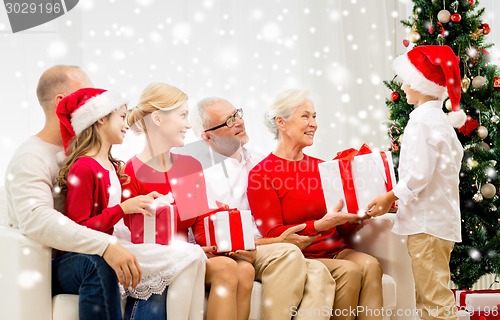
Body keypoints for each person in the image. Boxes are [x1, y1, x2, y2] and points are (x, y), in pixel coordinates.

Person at [55, 87, 207, 320]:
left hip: (114, 241)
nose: (128, 124)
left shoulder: (113, 166)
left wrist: (139, 204)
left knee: (193, 256)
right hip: (93, 249)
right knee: (188, 257)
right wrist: (124, 208)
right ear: (101, 119)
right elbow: (79, 228)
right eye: (122, 117)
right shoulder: (85, 167)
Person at [179, 96, 336, 320]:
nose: (239, 122)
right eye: (229, 121)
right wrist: (278, 242)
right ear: (207, 137)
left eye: (237, 114)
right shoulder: (193, 174)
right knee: (288, 253)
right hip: (237, 252)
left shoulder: (261, 161)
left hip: (267, 246)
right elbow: (206, 239)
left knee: (319, 272)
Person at [4, 65, 140, 320]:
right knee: (95, 263)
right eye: (88, 94)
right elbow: (37, 220)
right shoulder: (31, 157)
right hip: (53, 265)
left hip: (85, 251)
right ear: (62, 102)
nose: (98, 101)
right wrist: (105, 245)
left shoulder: (85, 154)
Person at [247, 89, 384, 320]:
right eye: (305, 116)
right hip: (302, 257)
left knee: (371, 265)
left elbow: (340, 224)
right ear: (281, 122)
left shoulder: (323, 167)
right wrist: (319, 225)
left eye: (315, 116)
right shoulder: (261, 174)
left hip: (335, 250)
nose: (314, 124)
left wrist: (360, 214)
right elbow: (274, 234)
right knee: (350, 271)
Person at [124, 82, 255, 320]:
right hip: (158, 261)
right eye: (183, 116)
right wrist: (193, 251)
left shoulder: (188, 167)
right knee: (226, 269)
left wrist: (220, 246)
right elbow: (140, 239)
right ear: (158, 119)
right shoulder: (130, 172)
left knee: (245, 269)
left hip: (192, 256)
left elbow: (199, 220)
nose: (187, 125)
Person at [367, 45, 464, 320]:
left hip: (427, 223)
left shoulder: (423, 122)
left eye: (409, 80)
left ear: (423, 85)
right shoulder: (439, 121)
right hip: (437, 221)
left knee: (434, 301)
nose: (404, 86)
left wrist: (390, 197)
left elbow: (419, 174)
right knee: (431, 295)